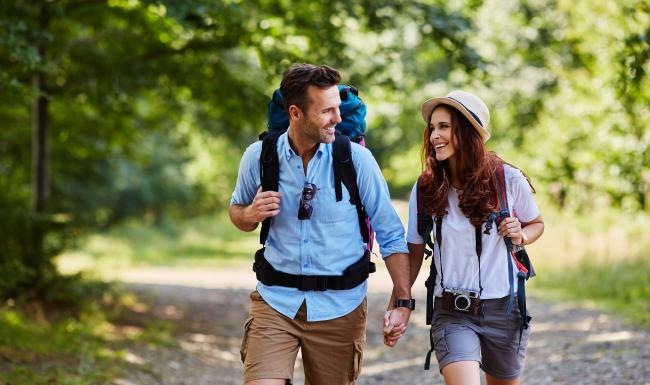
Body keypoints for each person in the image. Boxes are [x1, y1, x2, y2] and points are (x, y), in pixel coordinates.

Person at [229, 63, 413, 385]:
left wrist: (402, 300)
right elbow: (237, 211)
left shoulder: (355, 160)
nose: (338, 119)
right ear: (296, 113)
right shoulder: (259, 156)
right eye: (327, 111)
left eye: (338, 109)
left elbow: (390, 233)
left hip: (340, 307)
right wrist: (250, 214)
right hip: (275, 302)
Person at [384, 90, 544, 385]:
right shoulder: (426, 186)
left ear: (467, 132)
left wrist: (521, 235)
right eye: (432, 128)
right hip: (451, 311)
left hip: (504, 309)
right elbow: (414, 250)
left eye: (444, 126)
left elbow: (536, 223)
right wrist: (400, 305)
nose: (434, 135)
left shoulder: (508, 179)